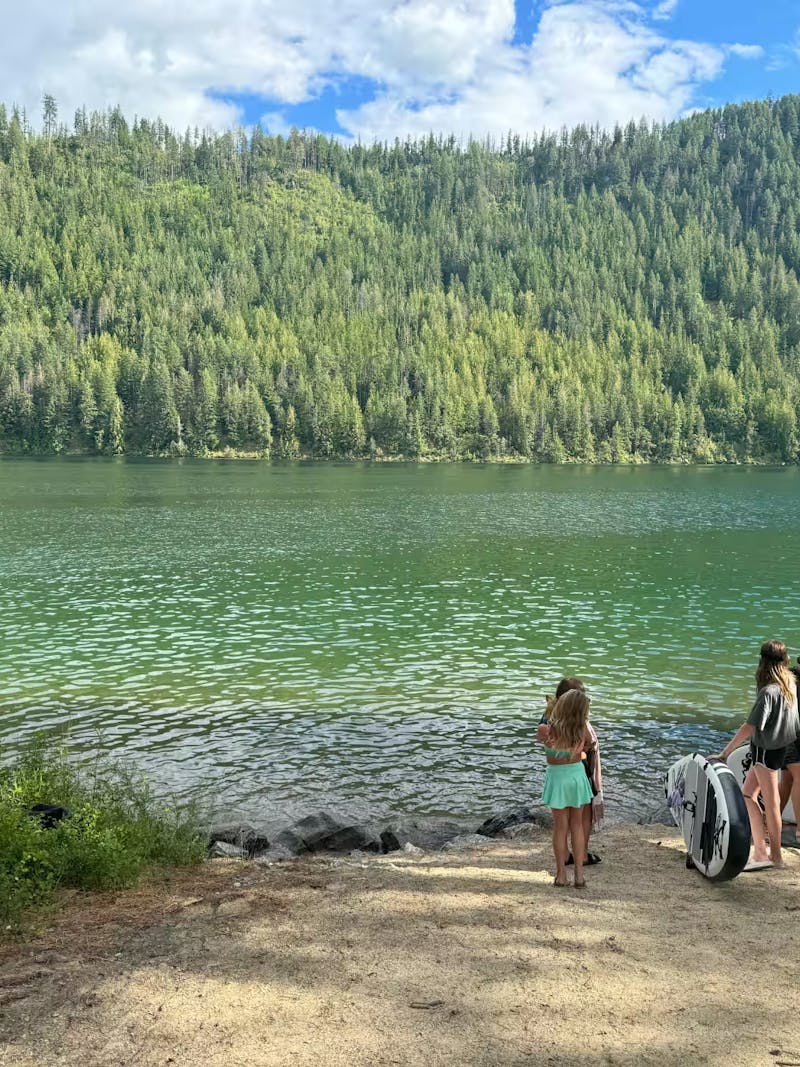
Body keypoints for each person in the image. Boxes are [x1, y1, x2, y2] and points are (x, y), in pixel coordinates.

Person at [715, 640, 799, 871]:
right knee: (748, 795)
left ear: (762, 661)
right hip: (780, 749)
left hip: (764, 753)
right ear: (785, 661)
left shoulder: (768, 692)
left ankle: (776, 857)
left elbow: (750, 726)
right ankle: (761, 850)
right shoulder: (789, 683)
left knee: (772, 805)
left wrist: (726, 752)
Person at [538, 677, 604, 866]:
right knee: (583, 816)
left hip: (557, 774)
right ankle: (581, 855)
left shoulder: (548, 717)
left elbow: (548, 746)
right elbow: (588, 744)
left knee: (560, 823)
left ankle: (565, 856)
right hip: (577, 771)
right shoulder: (577, 721)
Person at [777, 659, 800, 844]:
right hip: (791, 735)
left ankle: (771, 821)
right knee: (797, 777)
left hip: (786, 733)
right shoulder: (791, 676)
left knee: (787, 779)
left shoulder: (788, 675)